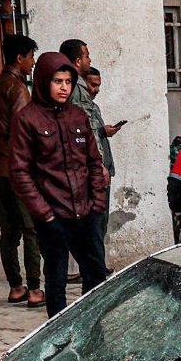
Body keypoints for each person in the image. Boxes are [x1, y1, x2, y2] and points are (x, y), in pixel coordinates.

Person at [9, 51, 108, 317]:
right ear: (43, 81)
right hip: (53, 216)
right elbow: (20, 173)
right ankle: (58, 337)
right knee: (56, 280)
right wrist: (45, 214)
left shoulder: (77, 115)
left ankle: (92, 326)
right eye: (57, 81)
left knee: (96, 273)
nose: (64, 88)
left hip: (86, 212)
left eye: (68, 81)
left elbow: (93, 162)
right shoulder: (27, 119)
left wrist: (97, 203)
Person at [0, 33, 44, 309]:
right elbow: (25, 132)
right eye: (30, 57)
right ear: (20, 57)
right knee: (31, 230)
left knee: (8, 231)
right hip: (18, 169)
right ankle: (34, 289)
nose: (32, 63)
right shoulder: (18, 89)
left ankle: (15, 287)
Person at [81, 66, 121, 245]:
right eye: (93, 85)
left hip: (104, 170)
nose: (96, 89)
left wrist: (105, 131)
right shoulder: (79, 107)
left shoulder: (93, 107)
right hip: (94, 172)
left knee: (101, 223)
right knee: (93, 224)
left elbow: (95, 135)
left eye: (98, 85)